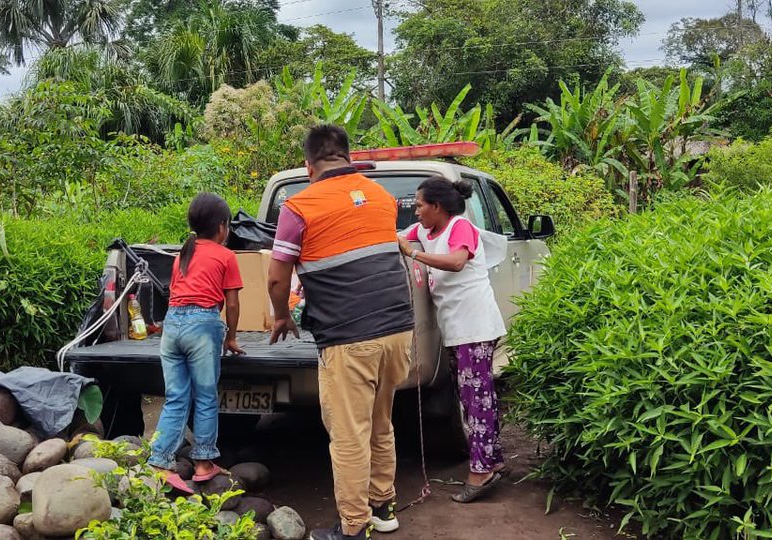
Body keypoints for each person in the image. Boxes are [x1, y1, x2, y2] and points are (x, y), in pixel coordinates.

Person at [268, 125, 414, 540]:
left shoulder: (298, 207)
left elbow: (278, 280)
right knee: (381, 421)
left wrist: (282, 316)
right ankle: (383, 508)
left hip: (350, 338)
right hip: (398, 330)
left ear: (308, 165)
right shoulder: (382, 197)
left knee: (349, 436)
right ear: (349, 157)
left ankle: (353, 527)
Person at [399, 175, 508, 503]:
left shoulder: (460, 226)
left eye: (419, 205)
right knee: (472, 397)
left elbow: (457, 262)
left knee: (477, 399)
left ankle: (481, 471)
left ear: (438, 206)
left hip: (474, 325)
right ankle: (493, 459)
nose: (415, 212)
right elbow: (400, 237)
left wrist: (413, 255)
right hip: (456, 327)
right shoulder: (425, 231)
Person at [147, 192, 244, 491]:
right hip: (203, 325)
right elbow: (233, 302)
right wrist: (230, 337)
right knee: (205, 396)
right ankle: (203, 462)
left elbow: (178, 296)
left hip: (172, 326)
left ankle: (160, 461)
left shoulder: (182, 255)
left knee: (176, 396)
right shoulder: (226, 255)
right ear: (222, 227)